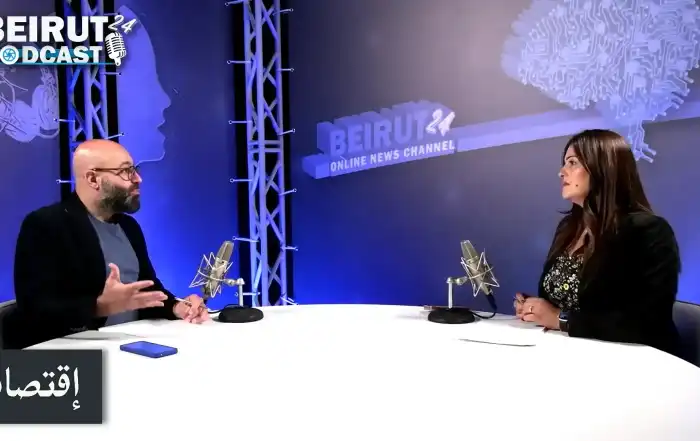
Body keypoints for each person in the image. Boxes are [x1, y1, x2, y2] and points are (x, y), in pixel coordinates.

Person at [2, 139, 209, 349]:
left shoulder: (129, 226)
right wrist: (99, 307)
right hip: (72, 354)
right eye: (126, 171)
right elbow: (34, 308)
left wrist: (177, 306)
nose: (138, 179)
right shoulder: (45, 224)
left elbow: (146, 291)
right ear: (93, 179)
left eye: (135, 170)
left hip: (131, 345)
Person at [514, 129, 681, 355]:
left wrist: (561, 319)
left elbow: (647, 321)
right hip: (571, 351)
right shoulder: (568, 228)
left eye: (572, 163)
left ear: (603, 168)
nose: (561, 172)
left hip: (634, 359)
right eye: (564, 163)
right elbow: (563, 302)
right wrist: (534, 308)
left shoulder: (648, 231)